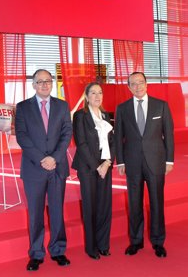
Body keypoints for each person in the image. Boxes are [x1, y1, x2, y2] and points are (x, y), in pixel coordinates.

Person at [15, 69, 72, 271]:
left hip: (57, 167)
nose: (44, 85)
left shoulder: (62, 106)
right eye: (40, 82)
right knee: (36, 213)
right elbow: (22, 136)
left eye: (48, 81)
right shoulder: (22, 108)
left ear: (52, 83)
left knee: (57, 211)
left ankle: (58, 250)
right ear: (33, 85)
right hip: (33, 168)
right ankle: (36, 253)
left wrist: (54, 158)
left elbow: (66, 134)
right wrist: (42, 159)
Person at [114, 72, 174, 258]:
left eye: (141, 83)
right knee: (134, 203)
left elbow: (169, 135)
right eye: (134, 84)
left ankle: (158, 241)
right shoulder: (122, 108)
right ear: (129, 87)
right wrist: (121, 161)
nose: (138, 86)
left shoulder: (161, 106)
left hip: (156, 161)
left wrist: (169, 160)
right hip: (132, 163)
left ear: (146, 84)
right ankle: (136, 241)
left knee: (157, 202)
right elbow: (118, 137)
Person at [72, 82, 115, 260]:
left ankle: (103, 244)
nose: (97, 96)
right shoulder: (80, 116)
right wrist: (97, 166)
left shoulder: (106, 115)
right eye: (93, 93)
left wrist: (107, 163)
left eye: (100, 93)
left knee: (105, 207)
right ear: (86, 96)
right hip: (88, 167)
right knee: (90, 207)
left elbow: (113, 141)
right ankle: (92, 248)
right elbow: (81, 144)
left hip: (105, 165)